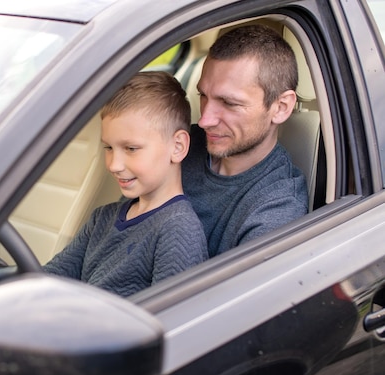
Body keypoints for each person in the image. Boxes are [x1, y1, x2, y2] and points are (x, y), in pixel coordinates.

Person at [43, 71, 208, 297]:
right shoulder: (102, 219)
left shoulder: (177, 232)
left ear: (177, 147)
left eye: (131, 149)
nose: (113, 165)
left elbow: (171, 320)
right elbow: (49, 280)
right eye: (108, 148)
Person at [182, 24, 309, 257]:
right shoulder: (182, 145)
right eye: (203, 96)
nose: (204, 121)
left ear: (280, 108)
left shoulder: (276, 210)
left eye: (229, 103)